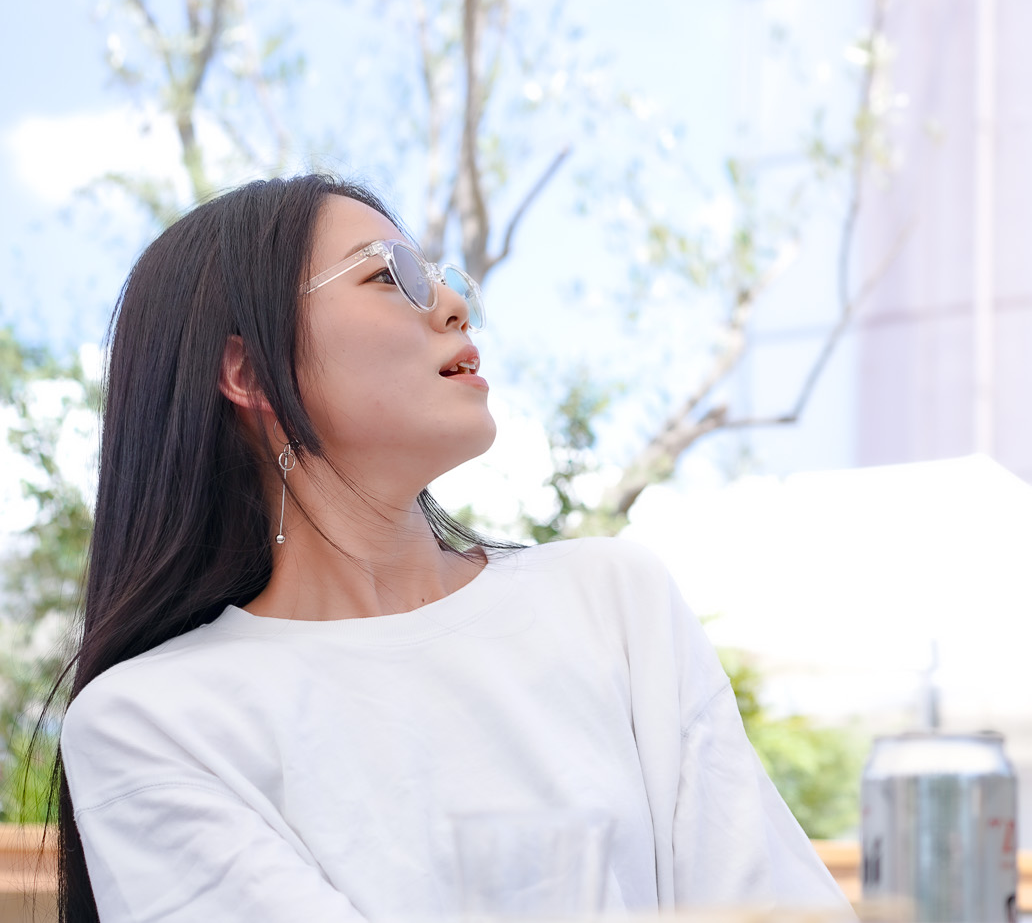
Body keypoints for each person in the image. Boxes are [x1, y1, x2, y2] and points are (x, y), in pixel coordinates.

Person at [53, 176, 848, 922]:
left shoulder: (612, 599)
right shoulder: (151, 721)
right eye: (387, 275)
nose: (456, 304)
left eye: (439, 275)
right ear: (249, 370)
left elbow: (769, 901)